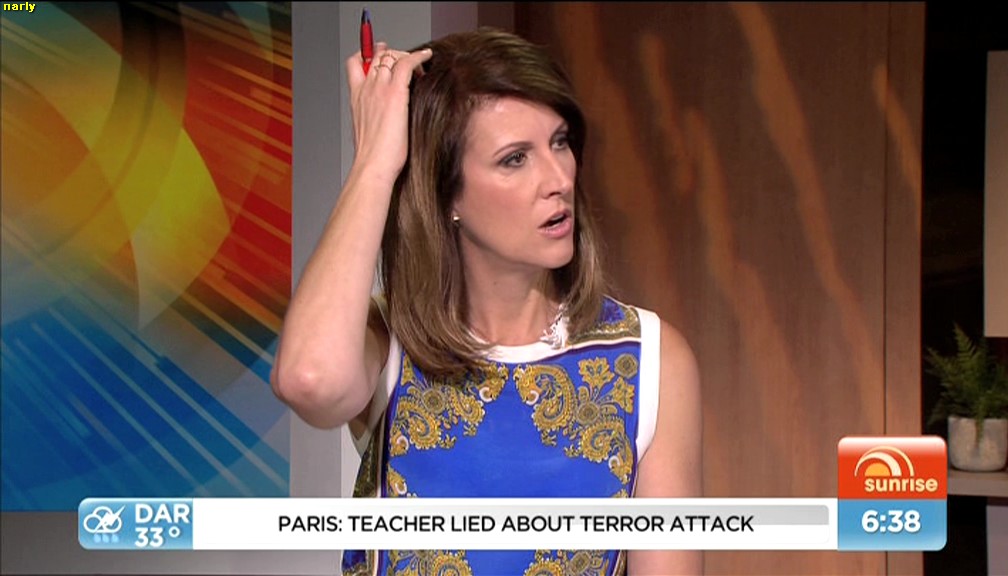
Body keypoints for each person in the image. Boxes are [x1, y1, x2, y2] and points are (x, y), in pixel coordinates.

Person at [272, 27, 702, 576]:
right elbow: (310, 380)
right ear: (447, 194)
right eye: (515, 159)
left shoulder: (650, 361)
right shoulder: (389, 341)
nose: (558, 179)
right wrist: (374, 163)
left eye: (560, 142)